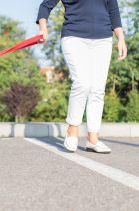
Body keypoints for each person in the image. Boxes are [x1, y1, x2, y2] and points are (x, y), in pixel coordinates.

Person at [36, 0, 127, 153]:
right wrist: (43, 28)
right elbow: (45, 6)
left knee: (97, 89)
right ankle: (72, 131)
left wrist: (121, 38)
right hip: (74, 37)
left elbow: (113, 10)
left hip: (103, 39)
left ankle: (93, 139)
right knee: (82, 83)